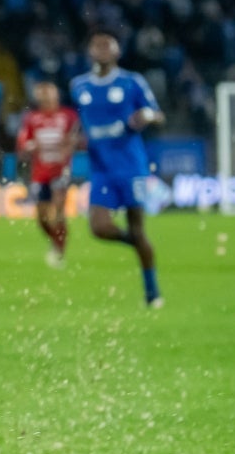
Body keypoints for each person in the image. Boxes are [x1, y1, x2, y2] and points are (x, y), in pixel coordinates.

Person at [70, 33, 164, 306]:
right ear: (89, 51)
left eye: (107, 44)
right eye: (96, 44)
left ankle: (152, 291)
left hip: (131, 166)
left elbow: (157, 114)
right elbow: (81, 121)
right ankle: (134, 242)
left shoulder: (132, 82)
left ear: (117, 51)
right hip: (100, 168)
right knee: (98, 228)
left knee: (138, 225)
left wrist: (146, 116)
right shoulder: (79, 85)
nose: (101, 49)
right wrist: (76, 138)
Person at [14, 80, 80, 269]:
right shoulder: (32, 118)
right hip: (40, 173)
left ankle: (60, 251)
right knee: (42, 218)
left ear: (56, 95)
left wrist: (67, 149)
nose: (46, 97)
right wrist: (29, 147)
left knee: (58, 211)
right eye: (42, 94)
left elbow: (75, 139)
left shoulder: (68, 116)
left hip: (61, 170)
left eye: (49, 93)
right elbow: (23, 145)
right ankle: (56, 242)